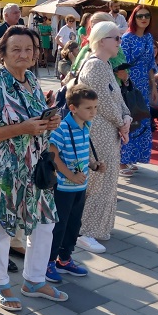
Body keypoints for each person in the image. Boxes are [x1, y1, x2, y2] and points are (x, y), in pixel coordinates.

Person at [0, 25, 67, 311]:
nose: (24, 54)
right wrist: (21, 128)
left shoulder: (31, 81)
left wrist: (48, 123)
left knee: (46, 223)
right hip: (2, 173)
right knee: (1, 230)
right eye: (16, 49)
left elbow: (33, 123)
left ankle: (34, 279)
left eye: (29, 49)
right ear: (2, 53)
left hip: (34, 168)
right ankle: (0, 283)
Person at [76, 21, 131, 253]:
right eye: (116, 38)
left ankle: (98, 227)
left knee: (107, 180)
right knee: (99, 180)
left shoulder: (105, 65)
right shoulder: (96, 66)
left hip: (108, 130)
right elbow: (104, 103)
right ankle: (86, 231)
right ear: (101, 40)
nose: (120, 42)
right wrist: (122, 121)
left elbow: (116, 98)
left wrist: (126, 117)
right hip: (98, 131)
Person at [46, 85, 99, 283]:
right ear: (73, 108)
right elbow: (54, 156)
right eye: (88, 108)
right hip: (64, 187)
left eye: (95, 107)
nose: (93, 112)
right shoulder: (61, 128)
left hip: (79, 187)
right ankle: (48, 262)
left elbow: (82, 152)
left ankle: (65, 259)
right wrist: (69, 175)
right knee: (59, 226)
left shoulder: (86, 125)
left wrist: (93, 165)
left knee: (74, 225)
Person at [119, 6, 155, 177]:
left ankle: (133, 157)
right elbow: (121, 65)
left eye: (147, 16)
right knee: (129, 120)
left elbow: (150, 65)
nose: (144, 18)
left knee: (141, 120)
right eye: (140, 16)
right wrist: (126, 84)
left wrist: (153, 86)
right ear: (134, 18)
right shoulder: (127, 38)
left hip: (143, 85)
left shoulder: (149, 37)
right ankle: (121, 161)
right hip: (130, 83)